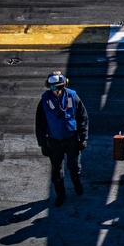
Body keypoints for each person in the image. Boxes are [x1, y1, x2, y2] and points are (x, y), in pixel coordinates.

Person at [35, 71, 89, 206]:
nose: (57, 91)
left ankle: (77, 185)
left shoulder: (73, 96)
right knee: (56, 171)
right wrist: (43, 144)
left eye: (60, 87)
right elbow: (40, 125)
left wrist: (83, 138)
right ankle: (60, 195)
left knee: (74, 166)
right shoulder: (44, 102)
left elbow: (83, 117)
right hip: (54, 141)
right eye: (54, 88)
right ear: (49, 87)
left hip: (71, 139)